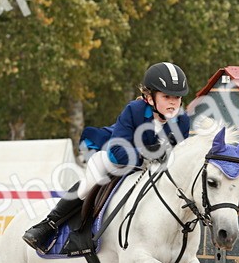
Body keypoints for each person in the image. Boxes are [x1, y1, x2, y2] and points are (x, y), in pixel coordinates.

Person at [23, 61, 192, 250]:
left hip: (151, 170)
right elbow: (117, 153)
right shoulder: (134, 110)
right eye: (167, 96)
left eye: (177, 98)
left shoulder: (183, 121)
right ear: (149, 98)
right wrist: (148, 154)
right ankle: (49, 224)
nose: (173, 102)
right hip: (114, 157)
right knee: (90, 181)